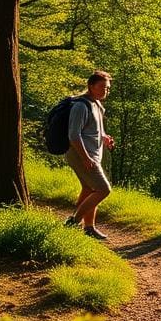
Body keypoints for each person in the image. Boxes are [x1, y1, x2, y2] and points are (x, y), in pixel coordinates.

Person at [64, 71, 115, 240]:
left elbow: (91, 130)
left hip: (91, 154)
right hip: (82, 155)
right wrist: (85, 157)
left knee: (89, 188)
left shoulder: (97, 104)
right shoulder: (81, 106)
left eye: (107, 88)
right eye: (102, 87)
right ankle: (73, 222)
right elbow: (74, 135)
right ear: (91, 86)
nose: (105, 91)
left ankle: (89, 228)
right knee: (103, 189)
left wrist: (104, 138)